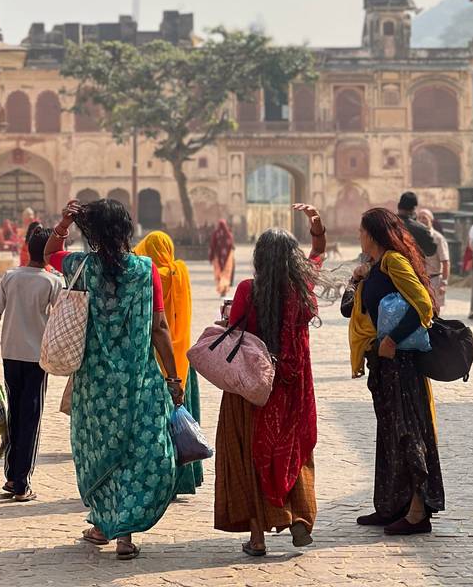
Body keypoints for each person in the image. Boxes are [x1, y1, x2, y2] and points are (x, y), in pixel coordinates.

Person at [44, 199, 184, 561]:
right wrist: (173, 376)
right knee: (137, 454)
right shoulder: (146, 269)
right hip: (139, 381)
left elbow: (50, 253)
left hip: (94, 386)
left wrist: (64, 223)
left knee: (99, 452)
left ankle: (104, 524)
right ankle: (124, 534)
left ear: (91, 233)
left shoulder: (80, 266)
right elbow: (160, 327)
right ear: (126, 229)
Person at [214, 203, 324, 557]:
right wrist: (316, 227)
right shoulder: (302, 289)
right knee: (292, 449)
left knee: (254, 454)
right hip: (294, 386)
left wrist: (225, 317)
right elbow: (318, 256)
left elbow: (238, 329)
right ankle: (298, 520)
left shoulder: (249, 289)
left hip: (256, 387)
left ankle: (258, 537)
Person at [341, 207, 443, 535]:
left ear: (373, 234)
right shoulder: (372, 268)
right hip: (381, 365)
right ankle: (390, 504)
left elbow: (424, 305)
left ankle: (417, 512)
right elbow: (348, 310)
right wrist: (355, 279)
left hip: (402, 365)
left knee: (408, 432)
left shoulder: (394, 262)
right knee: (388, 435)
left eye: (361, 230)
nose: (358, 236)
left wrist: (394, 340)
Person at [0, 225, 62, 502]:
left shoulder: (11, 277)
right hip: (36, 358)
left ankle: (12, 476)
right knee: (31, 418)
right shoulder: (51, 282)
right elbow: (61, 317)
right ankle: (21, 483)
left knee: (15, 414)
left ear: (27, 247)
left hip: (10, 355)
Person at [134, 230, 204, 495]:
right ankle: (186, 477)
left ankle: (159, 479)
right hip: (182, 360)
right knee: (182, 420)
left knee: (156, 424)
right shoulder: (180, 272)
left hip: (155, 356)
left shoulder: (147, 275)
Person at [418, 209, 450, 311]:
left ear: (431, 220)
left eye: (424, 218)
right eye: (420, 218)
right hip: (419, 279)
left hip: (434, 280)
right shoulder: (414, 237)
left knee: (434, 311)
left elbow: (445, 262)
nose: (422, 220)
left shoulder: (438, 238)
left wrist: (444, 283)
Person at [397, 191, 437, 257]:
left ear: (398, 205)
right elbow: (430, 251)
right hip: (411, 266)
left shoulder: (386, 224)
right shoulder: (421, 230)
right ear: (414, 208)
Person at [209, 219, 236, 296]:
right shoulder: (228, 234)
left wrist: (211, 257)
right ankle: (224, 289)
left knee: (219, 274)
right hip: (227, 259)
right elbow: (232, 246)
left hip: (217, 258)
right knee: (226, 274)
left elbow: (212, 246)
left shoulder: (216, 234)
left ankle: (221, 290)